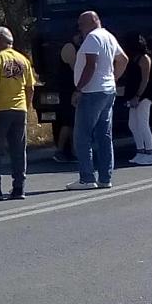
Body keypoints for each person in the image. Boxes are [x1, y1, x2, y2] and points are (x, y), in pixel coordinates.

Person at [67, 11, 128, 190]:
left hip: (92, 91)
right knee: (104, 135)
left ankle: (86, 178)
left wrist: (79, 89)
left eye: (81, 24)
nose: (80, 28)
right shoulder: (108, 36)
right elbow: (123, 59)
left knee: (82, 135)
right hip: (108, 91)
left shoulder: (93, 38)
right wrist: (113, 78)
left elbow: (90, 65)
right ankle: (105, 177)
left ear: (91, 22)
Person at [0, 26, 35, 201]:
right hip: (19, 110)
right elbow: (30, 88)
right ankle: (19, 188)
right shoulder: (23, 60)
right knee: (18, 151)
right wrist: (26, 106)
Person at [123, 33, 152, 166]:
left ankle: (150, 153)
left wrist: (138, 96)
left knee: (143, 123)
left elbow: (145, 79)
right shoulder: (133, 58)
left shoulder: (144, 58)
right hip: (132, 94)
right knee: (133, 124)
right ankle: (140, 151)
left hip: (143, 95)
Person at [53, 31, 82, 163]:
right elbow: (76, 69)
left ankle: (73, 151)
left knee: (72, 122)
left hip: (72, 89)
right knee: (68, 122)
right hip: (68, 90)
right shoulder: (69, 47)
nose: (81, 38)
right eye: (79, 36)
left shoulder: (76, 47)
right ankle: (60, 150)